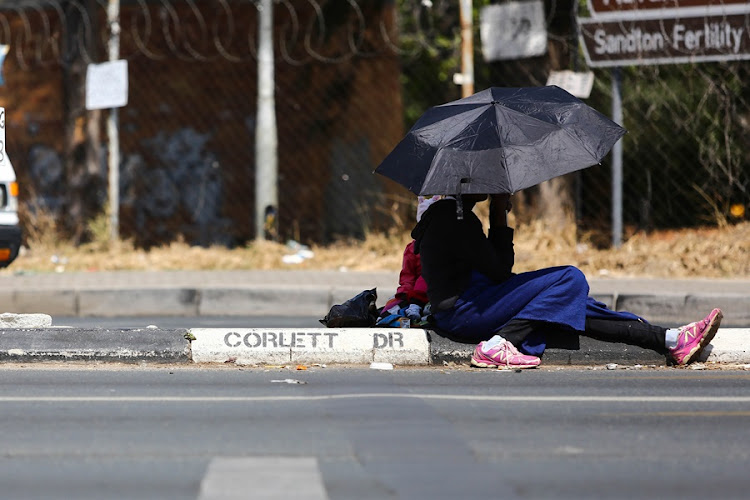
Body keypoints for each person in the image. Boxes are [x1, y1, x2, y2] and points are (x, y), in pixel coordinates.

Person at [411, 193, 723, 369]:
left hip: (472, 306)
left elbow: (495, 272)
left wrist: (496, 215)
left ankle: (670, 340)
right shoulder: (454, 218)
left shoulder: (450, 215)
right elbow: (500, 271)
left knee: (576, 304)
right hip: (466, 312)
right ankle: (498, 345)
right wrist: (498, 213)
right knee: (569, 279)